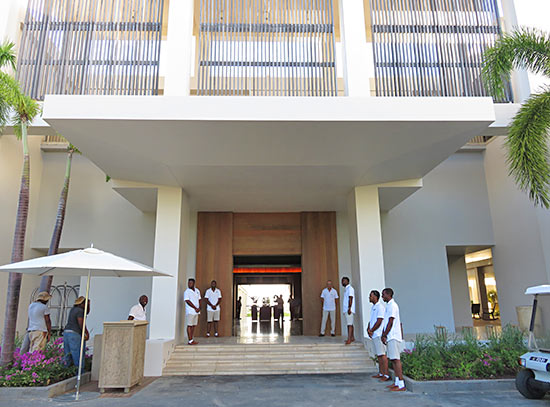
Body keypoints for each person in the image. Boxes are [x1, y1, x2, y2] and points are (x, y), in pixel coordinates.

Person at [381, 288, 405, 392]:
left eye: (383, 295)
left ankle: (401, 384)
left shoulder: (393, 306)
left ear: (388, 295)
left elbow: (391, 322)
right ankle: (396, 382)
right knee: (393, 360)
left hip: (393, 336)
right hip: (390, 336)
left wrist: (384, 334)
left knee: (396, 360)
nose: (382, 297)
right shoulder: (389, 306)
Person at [63, 296, 90, 374]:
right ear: (82, 304)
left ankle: (65, 371)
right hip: (74, 333)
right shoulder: (79, 311)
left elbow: (87, 312)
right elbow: (81, 323)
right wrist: (85, 333)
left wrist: (88, 305)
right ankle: (79, 373)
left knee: (67, 354)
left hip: (66, 332)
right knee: (78, 354)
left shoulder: (73, 309)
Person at [367, 290, 389, 381]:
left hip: (378, 334)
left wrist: (372, 330)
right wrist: (368, 329)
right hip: (374, 334)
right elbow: (371, 320)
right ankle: (381, 372)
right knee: (378, 355)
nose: (369, 297)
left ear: (376, 297)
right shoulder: (373, 307)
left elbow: (379, 321)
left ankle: (386, 374)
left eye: (371, 296)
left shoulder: (380, 307)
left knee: (382, 354)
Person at [184, 278, 201, 345]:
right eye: (188, 283)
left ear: (194, 283)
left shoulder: (197, 291)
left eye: (190, 283)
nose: (189, 284)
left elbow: (199, 299)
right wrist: (195, 307)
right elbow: (187, 301)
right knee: (189, 325)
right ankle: (190, 340)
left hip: (196, 311)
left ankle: (192, 339)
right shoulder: (187, 292)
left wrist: (199, 307)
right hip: (190, 311)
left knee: (194, 325)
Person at [341, 277, 355, 345]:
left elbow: (351, 298)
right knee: (350, 323)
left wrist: (349, 308)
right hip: (347, 309)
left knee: (349, 325)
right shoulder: (346, 289)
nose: (342, 282)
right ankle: (352, 337)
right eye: (342, 281)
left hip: (349, 309)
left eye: (343, 281)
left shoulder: (350, 289)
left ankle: (349, 339)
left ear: (347, 281)